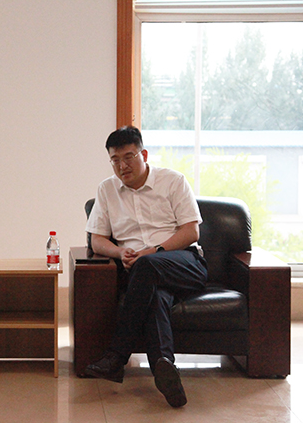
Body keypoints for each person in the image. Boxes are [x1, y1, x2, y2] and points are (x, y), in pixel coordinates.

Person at [84, 126, 207, 408]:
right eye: (115, 160)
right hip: (141, 273)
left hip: (183, 261)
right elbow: (97, 240)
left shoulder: (173, 181)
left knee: (148, 266)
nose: (122, 166)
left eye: (129, 157)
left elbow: (191, 231)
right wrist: (120, 252)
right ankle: (164, 365)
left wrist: (154, 251)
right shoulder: (107, 189)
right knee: (155, 296)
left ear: (144, 154)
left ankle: (117, 356)